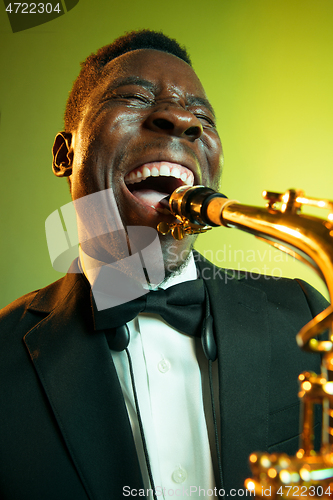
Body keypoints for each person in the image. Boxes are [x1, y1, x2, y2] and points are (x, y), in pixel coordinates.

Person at [0, 30, 328, 499]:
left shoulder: (304, 314)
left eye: (201, 118)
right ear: (65, 155)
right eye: (133, 97)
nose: (179, 120)